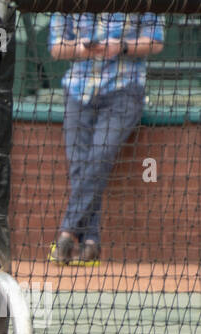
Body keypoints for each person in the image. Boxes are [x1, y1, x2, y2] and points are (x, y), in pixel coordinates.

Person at [47, 11, 164, 267]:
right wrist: (83, 48)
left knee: (100, 154)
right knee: (79, 163)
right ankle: (90, 243)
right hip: (79, 89)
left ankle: (67, 234)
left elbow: (156, 41)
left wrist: (120, 46)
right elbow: (56, 47)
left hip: (124, 89)